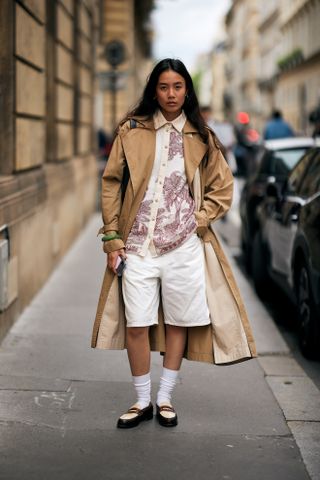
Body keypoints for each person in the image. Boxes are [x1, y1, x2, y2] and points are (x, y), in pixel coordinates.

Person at [91, 58, 257, 429]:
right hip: (136, 246)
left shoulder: (201, 135)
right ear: (155, 90)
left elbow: (223, 188)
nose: (170, 94)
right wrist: (112, 236)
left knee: (178, 323)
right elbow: (111, 182)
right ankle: (141, 400)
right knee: (137, 323)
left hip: (183, 247)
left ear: (187, 90)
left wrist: (198, 220)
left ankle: (164, 398)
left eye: (178, 87)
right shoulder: (131, 131)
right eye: (164, 87)